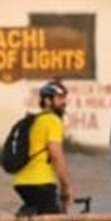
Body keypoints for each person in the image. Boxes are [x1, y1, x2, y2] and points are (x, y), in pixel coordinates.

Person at [13, 81, 76, 214]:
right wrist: (67, 185)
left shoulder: (36, 120)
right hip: (41, 181)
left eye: (64, 98)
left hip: (20, 181)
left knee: (37, 215)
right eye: (60, 98)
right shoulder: (53, 121)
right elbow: (56, 155)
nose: (64, 102)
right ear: (47, 100)